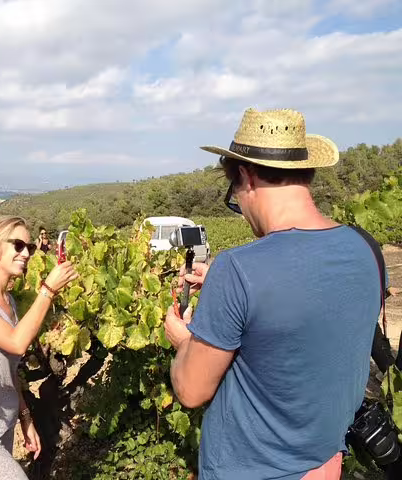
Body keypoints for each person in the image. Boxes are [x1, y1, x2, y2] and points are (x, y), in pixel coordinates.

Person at [164, 108, 382, 480]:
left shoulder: (239, 268)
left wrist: (183, 340)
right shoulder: (365, 249)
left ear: (246, 178)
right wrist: (230, 290)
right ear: (305, 171)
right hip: (326, 464)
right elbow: (309, 310)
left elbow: (190, 390)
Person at [0, 215, 78, 480]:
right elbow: (17, 344)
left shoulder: (8, 302)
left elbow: (10, 369)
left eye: (29, 248)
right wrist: (48, 290)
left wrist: (25, 417)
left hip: (1, 425)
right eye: (18, 245)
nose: (26, 253)